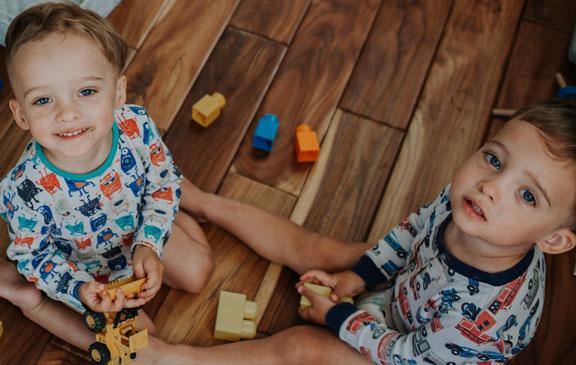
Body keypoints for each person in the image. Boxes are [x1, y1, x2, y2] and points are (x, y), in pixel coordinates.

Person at [134, 96, 576, 364]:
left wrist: (338, 316)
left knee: (306, 348)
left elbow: (408, 356)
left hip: (418, 354)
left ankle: (174, 359)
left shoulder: (479, 320)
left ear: (553, 239)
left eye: (528, 196)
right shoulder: (472, 202)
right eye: (495, 159)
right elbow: (411, 233)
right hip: (414, 288)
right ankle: (197, 200)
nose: (491, 187)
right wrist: (358, 276)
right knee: (322, 250)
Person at [0, 1, 213, 345]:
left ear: (117, 93)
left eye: (86, 92)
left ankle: (176, 219)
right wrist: (79, 289)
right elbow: (32, 255)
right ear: (21, 114)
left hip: (136, 234)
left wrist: (149, 241)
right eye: (43, 100)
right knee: (140, 338)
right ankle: (32, 305)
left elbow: (164, 183)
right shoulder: (26, 189)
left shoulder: (137, 126)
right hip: (82, 268)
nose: (68, 114)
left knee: (198, 272)